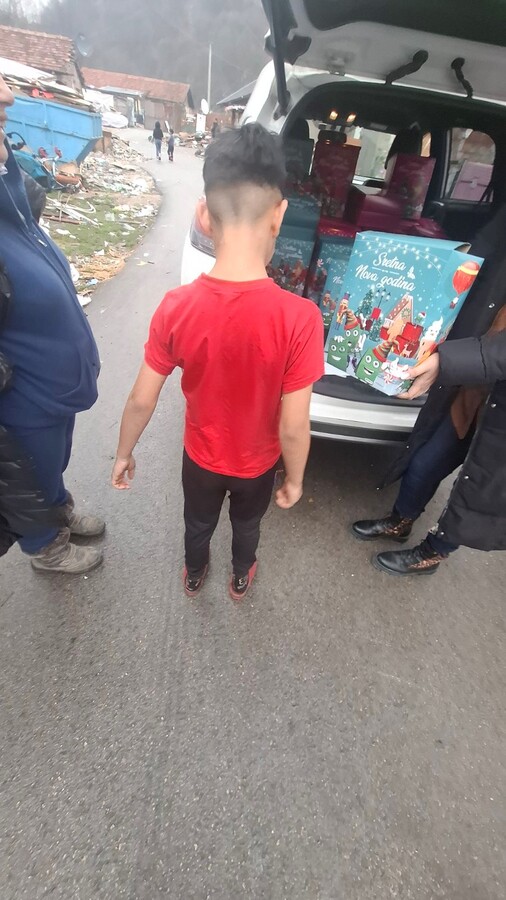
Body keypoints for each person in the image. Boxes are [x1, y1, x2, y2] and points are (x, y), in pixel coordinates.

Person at [112, 123, 324, 599]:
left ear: (204, 216)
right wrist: (294, 477)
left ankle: (194, 572)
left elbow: (142, 399)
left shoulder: (176, 306)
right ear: (279, 216)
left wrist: (124, 452)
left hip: (200, 458)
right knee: (247, 525)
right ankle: (240, 574)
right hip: (257, 465)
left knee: (198, 521)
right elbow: (294, 426)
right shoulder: (301, 318)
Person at [352, 203, 506, 576]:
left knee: (479, 488)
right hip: (476, 379)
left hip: (491, 385)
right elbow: (481, 250)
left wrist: (447, 362)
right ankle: (400, 522)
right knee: (425, 462)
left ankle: (434, 552)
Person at [0, 73, 104, 575]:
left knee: (53, 458)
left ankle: (57, 508)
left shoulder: (12, 198)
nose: (7, 95)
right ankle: (44, 545)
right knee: (30, 468)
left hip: (52, 390)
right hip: (23, 397)